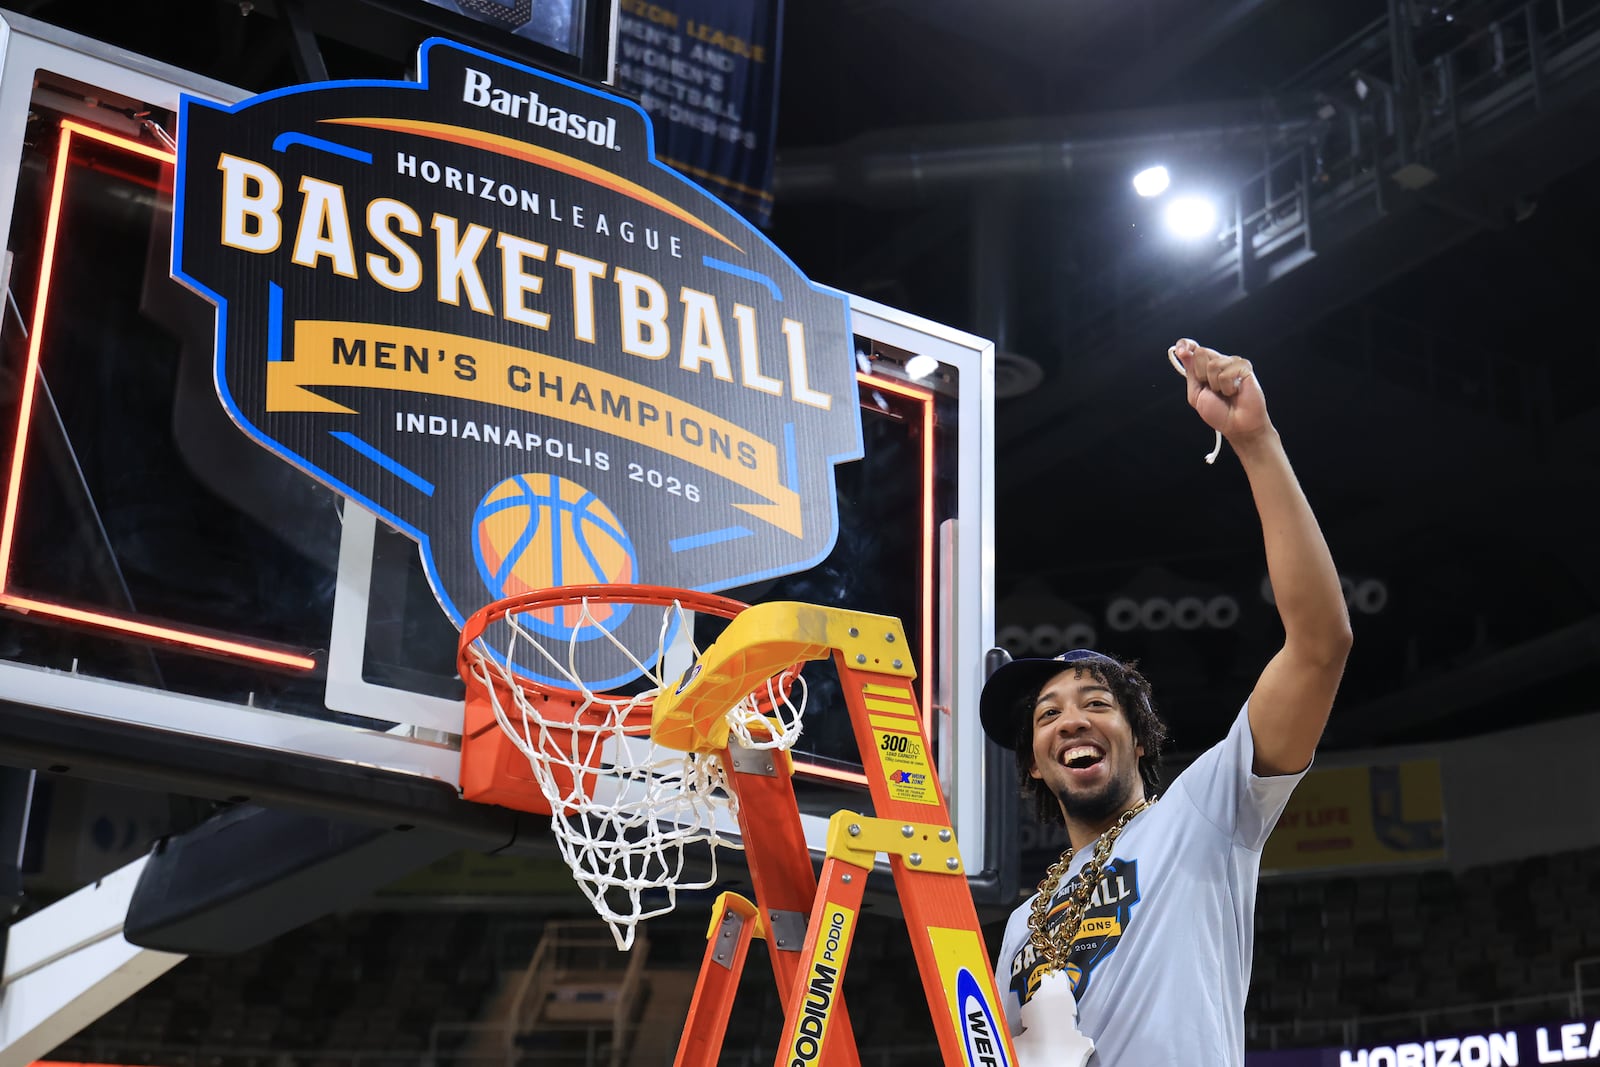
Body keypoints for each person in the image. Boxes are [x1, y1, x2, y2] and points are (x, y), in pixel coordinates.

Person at [982, 337, 1353, 1066]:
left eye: (1095, 702)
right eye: (1048, 714)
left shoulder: (1204, 813)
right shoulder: (1020, 927)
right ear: (1033, 764)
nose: (1072, 720)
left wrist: (1255, 441)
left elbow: (1320, 644)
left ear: (1139, 738)